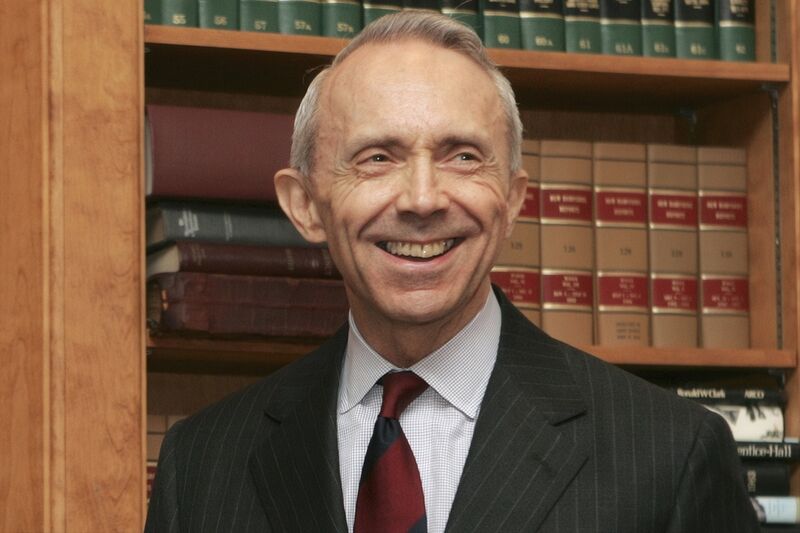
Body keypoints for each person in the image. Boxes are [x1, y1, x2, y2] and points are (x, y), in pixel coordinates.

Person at [145, 11, 759, 533]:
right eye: (377, 158)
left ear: (514, 199)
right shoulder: (201, 464)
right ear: (305, 205)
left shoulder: (670, 455)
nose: (422, 199)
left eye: (462, 157)